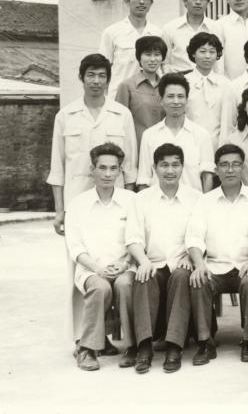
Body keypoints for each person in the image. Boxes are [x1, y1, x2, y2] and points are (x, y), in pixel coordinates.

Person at [49, 54, 137, 352]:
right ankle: (83, 339)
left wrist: (131, 204)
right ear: (81, 78)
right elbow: (57, 167)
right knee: (82, 270)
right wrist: (59, 210)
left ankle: (107, 338)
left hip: (115, 203)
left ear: (109, 80)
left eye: (102, 75)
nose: (96, 81)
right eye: (91, 75)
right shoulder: (66, 116)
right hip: (78, 205)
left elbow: (130, 166)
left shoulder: (121, 114)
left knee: (116, 267)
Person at [185, 143, 248, 366]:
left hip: (247, 264)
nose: (230, 170)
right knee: (198, 280)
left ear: (243, 168)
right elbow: (194, 237)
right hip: (214, 266)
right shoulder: (205, 201)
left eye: (236, 164)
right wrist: (199, 264)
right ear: (217, 169)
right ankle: (205, 342)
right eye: (224, 165)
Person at [125, 142, 199, 374]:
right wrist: (143, 261)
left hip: (182, 261)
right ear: (154, 168)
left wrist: (191, 256)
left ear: (182, 167)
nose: (170, 170)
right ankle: (144, 347)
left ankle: (174, 347)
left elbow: (201, 234)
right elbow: (133, 238)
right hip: (153, 262)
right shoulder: (141, 199)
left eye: (175, 165)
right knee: (143, 276)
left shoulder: (196, 198)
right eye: (164, 165)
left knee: (181, 276)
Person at [64, 143, 136, 372]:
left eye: (113, 168)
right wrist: (97, 268)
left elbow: (139, 238)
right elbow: (75, 247)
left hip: (125, 266)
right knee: (100, 288)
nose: (107, 174)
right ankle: (86, 349)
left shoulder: (131, 200)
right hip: (91, 269)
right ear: (92, 169)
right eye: (102, 168)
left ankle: (132, 347)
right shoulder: (78, 204)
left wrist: (125, 263)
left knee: (125, 286)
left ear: (120, 171)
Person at [137, 73, 215, 192]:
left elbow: (207, 177)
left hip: (192, 202)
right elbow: (144, 179)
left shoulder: (201, 134)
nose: (176, 101)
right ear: (161, 100)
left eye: (180, 96)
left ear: (187, 100)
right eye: (170, 96)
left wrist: (203, 203)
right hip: (157, 202)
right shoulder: (149, 135)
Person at [99, 0, 161, 91]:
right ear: (126, 1)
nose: (141, 2)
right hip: (119, 96)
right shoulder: (111, 32)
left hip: (150, 96)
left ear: (151, 3)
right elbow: (102, 69)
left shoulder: (158, 33)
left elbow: (163, 68)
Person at [115, 36, 167, 148]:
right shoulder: (126, 86)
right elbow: (118, 123)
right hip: (137, 146)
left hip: (164, 146)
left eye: (157, 54)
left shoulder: (167, 86)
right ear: (139, 57)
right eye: (148, 54)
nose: (152, 59)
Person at [162, 0, 223, 73]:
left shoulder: (216, 28)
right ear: (185, 0)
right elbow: (165, 62)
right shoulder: (170, 28)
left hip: (207, 78)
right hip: (179, 78)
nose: (198, 2)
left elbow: (219, 62)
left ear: (208, 2)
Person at [184, 32, 230, 145]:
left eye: (212, 52)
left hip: (217, 144)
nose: (207, 56)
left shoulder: (225, 84)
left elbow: (227, 121)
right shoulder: (184, 82)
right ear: (193, 53)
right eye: (202, 51)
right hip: (189, 142)